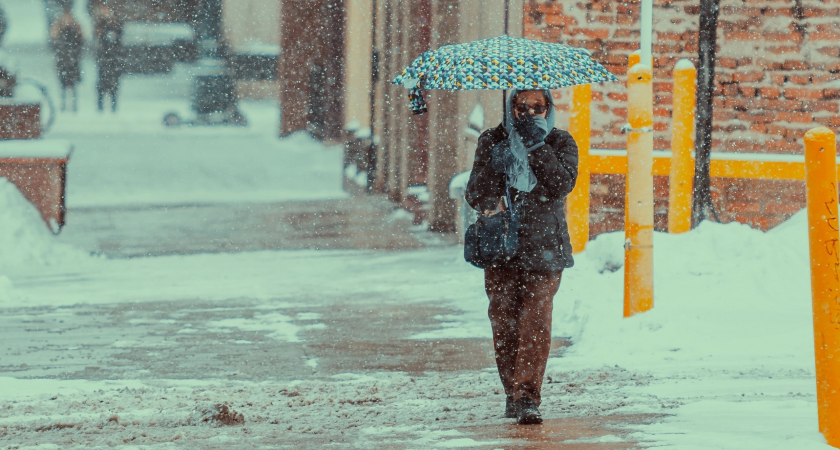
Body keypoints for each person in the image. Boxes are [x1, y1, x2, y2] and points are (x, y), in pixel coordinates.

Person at [466, 89, 578, 425]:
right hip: (501, 247)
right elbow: (476, 194)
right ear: (509, 107)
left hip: (545, 247)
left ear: (549, 109)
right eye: (521, 107)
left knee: (536, 322)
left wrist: (535, 146)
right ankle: (510, 393)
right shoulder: (492, 139)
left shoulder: (560, 141)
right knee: (504, 322)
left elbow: (561, 184)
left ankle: (527, 396)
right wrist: (499, 161)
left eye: (538, 107)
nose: (529, 114)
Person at [49, 6, 83, 112]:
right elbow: (54, 43)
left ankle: (73, 105)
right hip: (64, 61)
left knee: (73, 85)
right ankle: (64, 105)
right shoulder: (60, 30)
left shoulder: (75, 30)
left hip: (72, 61)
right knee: (63, 85)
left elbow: (81, 43)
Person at [93, 4, 121, 112]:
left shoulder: (115, 24)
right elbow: (97, 36)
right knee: (102, 82)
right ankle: (100, 105)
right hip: (103, 57)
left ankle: (113, 105)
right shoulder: (99, 23)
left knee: (113, 83)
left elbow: (118, 36)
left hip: (113, 57)